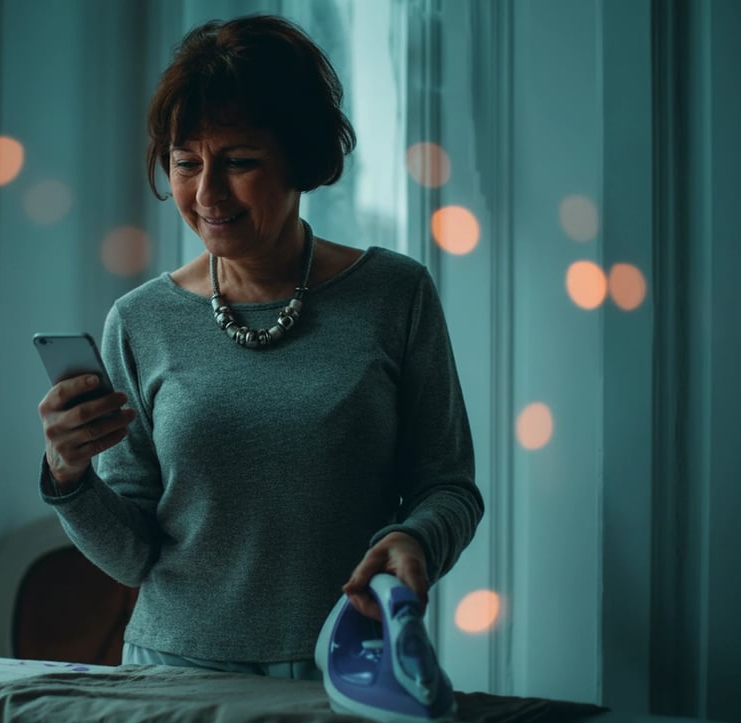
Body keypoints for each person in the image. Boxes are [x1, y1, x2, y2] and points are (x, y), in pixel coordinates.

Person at [38, 13, 483, 680]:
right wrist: (67, 476)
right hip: (173, 676)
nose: (207, 193)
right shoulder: (140, 320)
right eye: (186, 163)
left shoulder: (396, 295)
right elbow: (133, 555)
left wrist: (414, 537)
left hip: (352, 667)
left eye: (239, 162)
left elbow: (448, 486)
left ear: (301, 160)